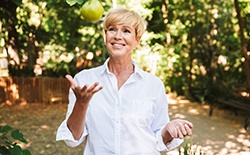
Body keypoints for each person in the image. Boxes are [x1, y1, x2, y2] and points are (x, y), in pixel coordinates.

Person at [56, 7, 193, 155]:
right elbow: (73, 139)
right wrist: (81, 104)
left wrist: (169, 129)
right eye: (112, 29)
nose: (118, 36)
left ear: (137, 40)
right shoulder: (84, 80)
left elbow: (159, 138)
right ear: (105, 35)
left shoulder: (153, 85)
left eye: (126, 31)